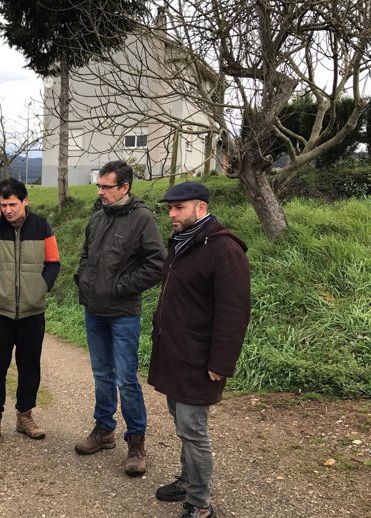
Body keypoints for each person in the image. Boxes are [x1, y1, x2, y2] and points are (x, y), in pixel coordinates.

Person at [149, 182, 250, 518]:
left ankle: (200, 503)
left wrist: (221, 362)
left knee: (193, 428)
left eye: (178, 208)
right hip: (175, 352)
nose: (171, 215)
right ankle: (187, 481)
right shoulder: (184, 243)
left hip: (199, 359)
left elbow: (234, 312)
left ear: (201, 208)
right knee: (181, 422)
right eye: (169, 209)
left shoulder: (223, 249)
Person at [74, 160, 166, 476]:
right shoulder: (97, 219)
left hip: (123, 314)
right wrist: (83, 280)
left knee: (126, 379)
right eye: (99, 186)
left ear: (124, 187)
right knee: (101, 373)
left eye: (106, 186)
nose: (100, 192)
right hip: (94, 311)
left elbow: (156, 264)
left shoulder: (142, 219)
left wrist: (120, 287)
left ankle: (136, 443)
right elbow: (86, 256)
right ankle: (103, 431)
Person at [0, 177, 61, 449]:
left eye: (13, 204)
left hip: (32, 312)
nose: (8, 210)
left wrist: (40, 288)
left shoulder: (42, 226)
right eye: (3, 204)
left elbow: (53, 263)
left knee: (30, 367)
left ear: (25, 201)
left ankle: (25, 416)